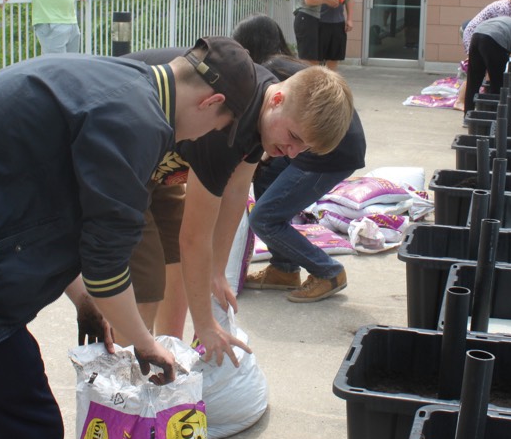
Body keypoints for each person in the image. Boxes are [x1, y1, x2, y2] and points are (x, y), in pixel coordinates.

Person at [0, 37, 259, 439]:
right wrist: (145, 343)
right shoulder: (139, 121)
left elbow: (76, 217)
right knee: (18, 430)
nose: (204, 140)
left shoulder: (130, 83)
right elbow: (108, 268)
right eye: (217, 129)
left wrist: (84, 298)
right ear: (210, 102)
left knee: (18, 415)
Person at [123, 35, 356, 361]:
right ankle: (122, 379)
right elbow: (195, 237)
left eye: (303, 149)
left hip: (161, 162)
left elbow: (235, 192)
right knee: (146, 282)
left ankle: (166, 359)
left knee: (174, 261)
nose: (291, 153)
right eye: (293, 138)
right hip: (123, 150)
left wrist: (217, 271)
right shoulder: (225, 128)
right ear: (277, 100)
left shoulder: (266, 110)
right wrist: (204, 325)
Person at [233, 15, 368, 302]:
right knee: (267, 173)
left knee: (265, 218)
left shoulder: (268, 71)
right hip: (326, 145)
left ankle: (327, 271)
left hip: (328, 152)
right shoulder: (283, 64)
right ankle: (284, 269)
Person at [454, 0, 511, 109]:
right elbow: (499, 34)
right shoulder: (504, 7)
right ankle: (465, 102)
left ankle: (473, 108)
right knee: (478, 73)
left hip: (481, 35)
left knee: (479, 73)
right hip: (477, 34)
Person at [461, 17, 511, 125]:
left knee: (474, 80)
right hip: (493, 40)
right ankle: (494, 120)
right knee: (497, 84)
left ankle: (467, 117)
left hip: (477, 35)